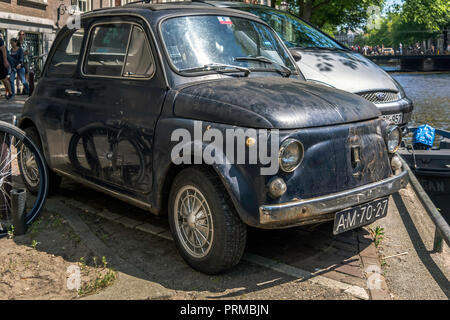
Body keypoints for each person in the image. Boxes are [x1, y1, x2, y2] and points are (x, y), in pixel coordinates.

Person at [0, 33, 12, 100]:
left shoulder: (0, 40)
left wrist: (5, 61)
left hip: (1, 63)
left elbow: (4, 51)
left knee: (4, 79)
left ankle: (10, 92)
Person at [17, 31, 29, 95]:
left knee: (26, 74)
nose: (21, 35)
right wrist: (23, 53)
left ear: (24, 35)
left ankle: (25, 89)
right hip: (19, 61)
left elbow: (27, 51)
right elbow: (16, 52)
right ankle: (18, 89)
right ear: (18, 35)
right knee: (19, 75)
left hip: (26, 61)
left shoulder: (26, 42)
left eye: (23, 34)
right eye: (20, 34)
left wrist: (23, 53)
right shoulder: (16, 42)